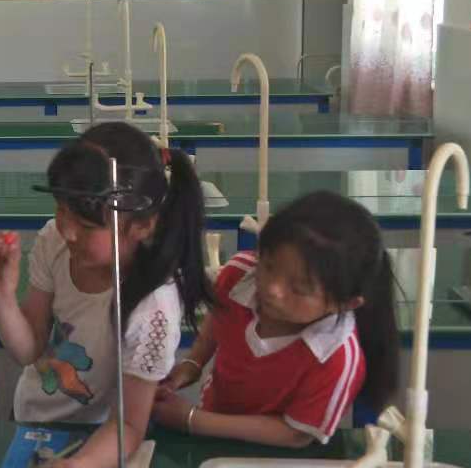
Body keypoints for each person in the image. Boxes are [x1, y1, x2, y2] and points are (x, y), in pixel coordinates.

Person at [0, 122, 210, 468]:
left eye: (87, 226)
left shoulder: (154, 310)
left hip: (101, 439)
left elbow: (130, 425)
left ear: (143, 226)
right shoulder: (54, 242)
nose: (68, 231)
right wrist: (2, 295)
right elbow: (29, 350)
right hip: (31, 418)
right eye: (61, 209)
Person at [153, 191, 399, 447]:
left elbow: (296, 434)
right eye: (268, 265)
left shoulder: (337, 357)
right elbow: (219, 320)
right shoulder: (239, 275)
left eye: (299, 288)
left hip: (277, 455)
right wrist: (192, 364)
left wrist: (192, 419)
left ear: (345, 304)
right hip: (212, 425)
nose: (272, 288)